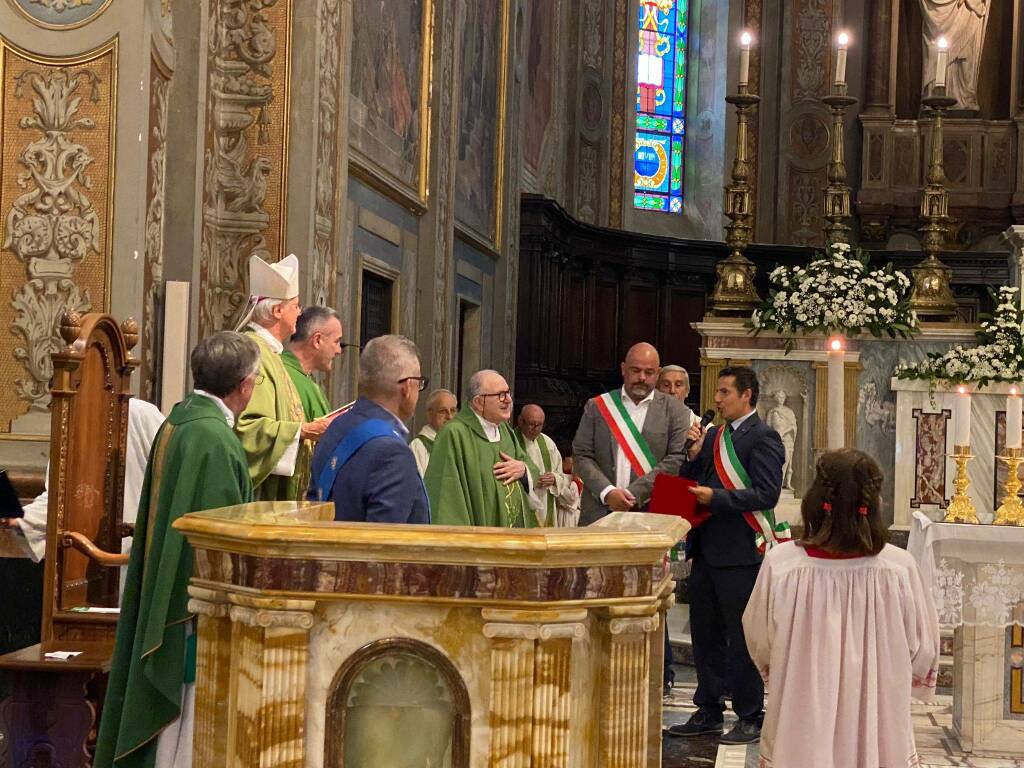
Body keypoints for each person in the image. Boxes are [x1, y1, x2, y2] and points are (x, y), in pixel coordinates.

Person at [95, 331, 260, 768]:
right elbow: (219, 545)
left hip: (168, 595)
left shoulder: (179, 422)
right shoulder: (214, 440)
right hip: (190, 614)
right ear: (245, 385)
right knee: (186, 725)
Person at [742, 449, 940, 767]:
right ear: (874, 502)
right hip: (878, 719)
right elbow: (923, 648)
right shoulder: (899, 569)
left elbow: (760, 640)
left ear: (816, 499)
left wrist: (793, 670)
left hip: (801, 713)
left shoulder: (782, 565)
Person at [666, 365, 787, 745]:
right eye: (717, 393)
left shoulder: (764, 437)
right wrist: (692, 454)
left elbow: (766, 494)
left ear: (746, 395)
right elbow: (693, 479)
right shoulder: (714, 435)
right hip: (706, 549)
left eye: (724, 393)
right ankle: (708, 709)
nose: (716, 400)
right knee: (706, 635)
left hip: (740, 554)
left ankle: (750, 715)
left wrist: (716, 498)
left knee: (741, 637)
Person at [4, 398, 165, 570]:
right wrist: (20, 520)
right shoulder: (69, 430)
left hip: (144, 544)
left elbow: (170, 473)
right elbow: (61, 497)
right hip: (93, 555)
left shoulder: (142, 414)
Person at [235, 254, 335, 501]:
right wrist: (302, 430)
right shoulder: (254, 352)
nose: (300, 313)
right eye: (295, 305)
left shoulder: (271, 354)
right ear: (278, 310)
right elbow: (246, 428)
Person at [308, 335, 429, 524]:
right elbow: (382, 545)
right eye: (419, 383)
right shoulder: (393, 453)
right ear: (406, 387)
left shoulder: (336, 427)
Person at [572, 342, 690, 525]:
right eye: (635, 370)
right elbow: (581, 455)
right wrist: (608, 492)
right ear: (623, 369)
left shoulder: (676, 411)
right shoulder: (597, 406)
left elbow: (676, 459)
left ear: (658, 374)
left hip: (650, 516)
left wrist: (633, 494)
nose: (642, 377)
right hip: (599, 513)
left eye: (649, 372)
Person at [425, 370, 540, 527]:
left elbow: (529, 467)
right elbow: (446, 494)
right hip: (479, 537)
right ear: (479, 402)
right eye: (500, 395)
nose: (508, 400)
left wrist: (523, 470)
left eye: (508, 393)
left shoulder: (504, 430)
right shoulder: (454, 434)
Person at [516, 404, 576, 527]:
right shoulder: (511, 441)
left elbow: (565, 477)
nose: (535, 429)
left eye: (539, 425)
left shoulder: (548, 443)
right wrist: (529, 480)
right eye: (531, 424)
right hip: (521, 503)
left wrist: (554, 479)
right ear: (520, 421)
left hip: (545, 503)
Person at [281, 305, 344, 421]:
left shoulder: (306, 377)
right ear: (317, 340)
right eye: (336, 342)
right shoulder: (282, 374)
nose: (339, 350)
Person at [410, 388, 458, 476]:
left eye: (453, 411)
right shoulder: (418, 446)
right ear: (430, 414)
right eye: (442, 411)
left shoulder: (460, 442)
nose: (450, 417)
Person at [555, 455, 582, 527]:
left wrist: (557, 484)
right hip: (560, 513)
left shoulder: (576, 480)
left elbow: (571, 499)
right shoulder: (563, 476)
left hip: (569, 515)